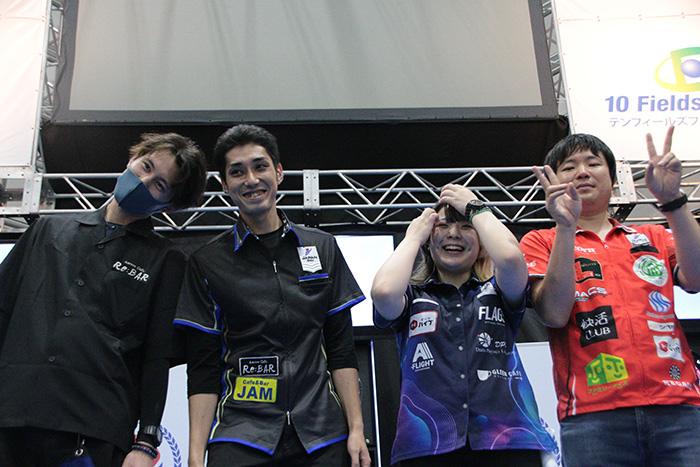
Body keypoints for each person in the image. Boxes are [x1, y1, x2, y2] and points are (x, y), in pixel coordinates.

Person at [0, 132, 208, 466]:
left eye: (159, 184)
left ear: (168, 205)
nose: (143, 181)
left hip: (93, 426)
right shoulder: (47, 230)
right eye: (145, 166)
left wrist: (147, 441)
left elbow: (157, 356)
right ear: (132, 159)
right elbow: (3, 309)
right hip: (12, 412)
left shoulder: (166, 260)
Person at [174, 124, 371, 467]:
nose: (251, 180)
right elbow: (203, 368)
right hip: (241, 434)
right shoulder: (206, 262)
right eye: (237, 172)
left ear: (278, 173)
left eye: (260, 166)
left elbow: (341, 350)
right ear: (225, 185)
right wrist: (194, 456)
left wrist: (356, 428)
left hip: (322, 433)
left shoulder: (323, 247)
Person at [520, 126, 700, 467]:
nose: (582, 172)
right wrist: (566, 226)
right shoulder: (541, 241)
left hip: (679, 406)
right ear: (552, 181)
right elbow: (553, 313)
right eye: (569, 167)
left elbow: (697, 279)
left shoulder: (653, 235)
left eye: (593, 163)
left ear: (614, 180)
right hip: (593, 416)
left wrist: (673, 202)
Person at [371, 184, 557, 467]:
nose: (454, 233)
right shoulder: (412, 299)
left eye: (466, 226)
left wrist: (477, 209)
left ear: (482, 243)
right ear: (428, 241)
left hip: (507, 441)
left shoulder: (498, 291)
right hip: (426, 446)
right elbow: (383, 292)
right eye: (443, 226)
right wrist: (413, 237)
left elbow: (509, 257)